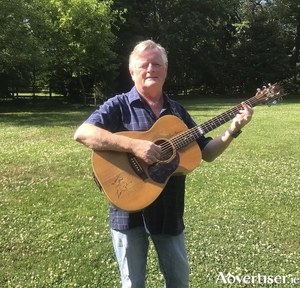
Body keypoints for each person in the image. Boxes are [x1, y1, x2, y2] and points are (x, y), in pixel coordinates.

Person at [74, 39, 253, 288]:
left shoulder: (177, 112)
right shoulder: (118, 105)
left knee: (179, 281)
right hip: (127, 210)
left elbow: (207, 153)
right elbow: (83, 133)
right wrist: (134, 145)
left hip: (168, 213)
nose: (151, 69)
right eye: (144, 64)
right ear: (132, 71)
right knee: (133, 283)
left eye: (157, 64)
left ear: (166, 70)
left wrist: (232, 129)